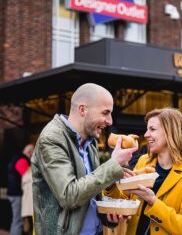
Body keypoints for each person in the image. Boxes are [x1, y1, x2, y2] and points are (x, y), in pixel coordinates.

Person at [31, 83, 137, 235]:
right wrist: (112, 165)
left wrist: (109, 216)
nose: (110, 121)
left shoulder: (90, 141)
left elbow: (91, 195)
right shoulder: (52, 138)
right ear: (82, 109)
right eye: (105, 113)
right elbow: (69, 196)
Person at [105, 107, 182, 235]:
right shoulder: (143, 161)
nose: (146, 134)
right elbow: (124, 200)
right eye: (147, 129)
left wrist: (152, 201)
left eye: (152, 129)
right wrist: (110, 183)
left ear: (170, 132)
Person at [7, 143, 34, 235]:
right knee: (17, 220)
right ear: (30, 152)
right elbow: (27, 178)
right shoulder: (22, 160)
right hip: (16, 194)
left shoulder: (17, 157)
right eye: (33, 153)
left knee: (17, 219)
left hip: (13, 193)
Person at [21, 166, 33, 235]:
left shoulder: (24, 176)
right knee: (33, 226)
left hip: (26, 205)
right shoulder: (34, 177)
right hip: (32, 205)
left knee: (26, 225)